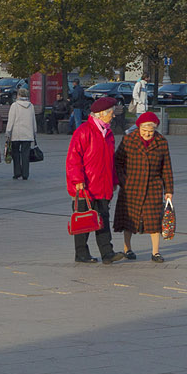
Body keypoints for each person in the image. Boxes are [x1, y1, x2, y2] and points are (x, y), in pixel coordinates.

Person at [67, 96, 123, 264]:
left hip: (102, 185)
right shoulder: (84, 131)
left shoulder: (108, 134)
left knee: (103, 220)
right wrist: (78, 179)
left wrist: (113, 181)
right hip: (85, 186)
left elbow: (110, 161)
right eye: (111, 113)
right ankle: (81, 253)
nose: (113, 116)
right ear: (101, 114)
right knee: (84, 221)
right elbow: (73, 158)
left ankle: (107, 253)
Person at [114, 111, 174, 262]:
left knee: (154, 220)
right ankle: (127, 248)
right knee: (129, 219)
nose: (147, 134)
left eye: (150, 131)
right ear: (139, 128)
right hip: (131, 186)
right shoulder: (128, 140)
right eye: (144, 131)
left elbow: (166, 167)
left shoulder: (161, 142)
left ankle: (155, 252)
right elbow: (118, 162)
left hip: (153, 186)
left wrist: (169, 190)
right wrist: (123, 180)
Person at [3, 84, 37, 180]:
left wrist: (8, 132)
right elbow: (33, 120)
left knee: (15, 153)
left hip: (16, 134)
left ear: (18, 95)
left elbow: (11, 120)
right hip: (28, 134)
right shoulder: (31, 106)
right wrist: (34, 133)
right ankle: (25, 173)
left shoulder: (15, 105)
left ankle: (17, 172)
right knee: (25, 154)